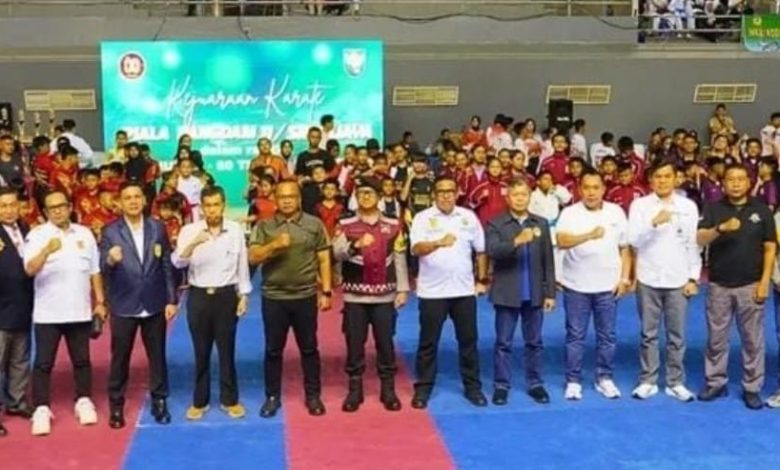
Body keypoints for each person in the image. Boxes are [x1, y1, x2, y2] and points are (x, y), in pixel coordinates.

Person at [23, 190, 107, 436]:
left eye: (62, 205)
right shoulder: (37, 235)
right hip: (48, 313)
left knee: (82, 360)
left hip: (80, 311)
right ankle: (41, 407)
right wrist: (46, 251)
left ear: (70, 207)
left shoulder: (85, 233)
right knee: (43, 363)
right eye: (52, 208)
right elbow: (29, 269)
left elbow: (94, 270)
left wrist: (100, 301)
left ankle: (83, 400)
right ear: (45, 212)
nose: (58, 210)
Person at [248, 181, 332, 418]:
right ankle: (272, 396)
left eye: (291, 196)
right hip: (274, 297)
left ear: (299, 199)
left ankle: (313, 395)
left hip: (305, 296)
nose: (286, 200)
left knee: (309, 349)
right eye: (282, 197)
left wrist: (326, 291)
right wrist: (274, 245)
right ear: (275, 199)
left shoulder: (314, 224)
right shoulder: (265, 225)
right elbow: (253, 257)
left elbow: (324, 258)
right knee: (273, 350)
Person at [696, 164, 776, 410]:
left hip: (751, 284)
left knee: (753, 340)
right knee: (716, 338)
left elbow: (770, 248)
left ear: (749, 182)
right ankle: (715, 382)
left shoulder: (762, 210)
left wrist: (764, 282)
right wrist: (720, 228)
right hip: (719, 283)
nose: (736, 183)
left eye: (741, 179)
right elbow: (700, 238)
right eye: (731, 179)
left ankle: (752, 387)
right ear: (724, 183)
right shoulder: (713, 208)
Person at [100, 182, 178, 429]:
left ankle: (159, 400)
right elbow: (100, 268)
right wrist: (110, 260)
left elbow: (166, 265)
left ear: (144, 200)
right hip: (124, 304)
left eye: (137, 196)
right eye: (128, 197)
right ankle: (116, 405)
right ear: (119, 202)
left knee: (157, 356)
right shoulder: (110, 231)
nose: (133, 201)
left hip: (154, 302)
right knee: (120, 357)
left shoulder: (157, 227)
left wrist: (171, 299)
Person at [408, 175, 489, 409]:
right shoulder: (423, 218)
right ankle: (423, 388)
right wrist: (437, 243)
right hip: (432, 293)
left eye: (450, 191)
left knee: (468, 342)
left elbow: (481, 250)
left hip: (463, 291)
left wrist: (482, 279)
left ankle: (473, 388)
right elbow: (416, 249)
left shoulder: (468, 217)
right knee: (428, 343)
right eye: (441, 192)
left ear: (457, 193)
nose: (446, 196)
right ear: (434, 194)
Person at [172, 186, 252, 420]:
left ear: (223, 205)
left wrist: (244, 294)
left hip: (226, 296)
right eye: (207, 206)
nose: (212, 210)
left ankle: (230, 400)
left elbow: (242, 263)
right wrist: (193, 243)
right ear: (202, 208)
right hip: (198, 296)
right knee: (201, 351)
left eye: (216, 205)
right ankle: (200, 401)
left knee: (227, 350)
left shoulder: (235, 230)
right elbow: (177, 262)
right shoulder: (189, 230)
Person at [332, 177, 409, 412]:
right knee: (355, 344)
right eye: (361, 193)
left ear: (379, 196)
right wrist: (354, 246)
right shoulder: (346, 223)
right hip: (355, 296)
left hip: (385, 295)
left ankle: (388, 390)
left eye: (370, 193)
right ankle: (355, 390)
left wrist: (403, 289)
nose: (365, 197)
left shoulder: (393, 224)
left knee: (386, 343)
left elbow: (399, 257)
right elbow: (336, 253)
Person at [627, 161, 701, 402]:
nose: (662, 181)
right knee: (648, 334)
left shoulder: (688, 206)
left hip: (678, 278)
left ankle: (675, 382)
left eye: (667, 176)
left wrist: (693, 277)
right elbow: (633, 240)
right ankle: (647, 380)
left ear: (676, 178)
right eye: (657, 176)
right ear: (650, 180)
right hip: (648, 277)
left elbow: (693, 244)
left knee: (676, 335)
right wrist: (653, 223)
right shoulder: (640, 205)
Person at [556, 170, 631, 401]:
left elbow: (625, 248)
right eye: (586, 187)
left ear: (603, 189)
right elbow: (561, 241)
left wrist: (624, 278)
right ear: (580, 189)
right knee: (575, 336)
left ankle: (604, 378)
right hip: (576, 286)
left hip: (608, 286)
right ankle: (573, 380)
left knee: (607, 336)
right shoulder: (569, 213)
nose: (591, 192)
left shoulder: (616, 212)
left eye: (595, 187)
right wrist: (588, 235)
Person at [486, 178, 556, 406]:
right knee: (503, 343)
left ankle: (535, 383)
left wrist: (550, 292)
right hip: (507, 292)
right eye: (515, 195)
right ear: (508, 198)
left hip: (534, 293)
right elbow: (493, 251)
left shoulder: (541, 223)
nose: (519, 199)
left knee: (534, 342)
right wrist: (516, 241)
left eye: (523, 194)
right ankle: (501, 385)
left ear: (529, 197)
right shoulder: (496, 223)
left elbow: (548, 260)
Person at [0, 188, 34, 436]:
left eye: (13, 205)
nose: (10, 210)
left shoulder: (25, 228)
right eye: (3, 206)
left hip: (23, 305)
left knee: (20, 359)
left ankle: (17, 401)